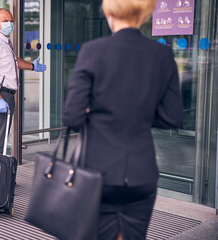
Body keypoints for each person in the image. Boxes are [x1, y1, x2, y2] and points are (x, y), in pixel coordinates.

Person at [62, 0, 184, 239]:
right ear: (146, 15)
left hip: (97, 174)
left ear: (110, 13)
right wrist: (140, 115)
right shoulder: (162, 54)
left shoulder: (93, 51)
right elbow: (172, 117)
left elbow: (72, 117)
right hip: (142, 174)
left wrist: (96, 114)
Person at [0, 8, 47, 154]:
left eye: (11, 21)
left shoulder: (4, 42)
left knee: (1, 139)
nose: (10, 24)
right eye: (5, 21)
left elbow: (13, 60)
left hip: (7, 95)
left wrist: (32, 66)